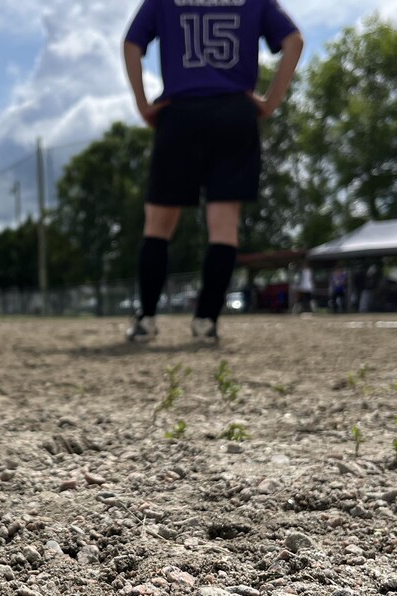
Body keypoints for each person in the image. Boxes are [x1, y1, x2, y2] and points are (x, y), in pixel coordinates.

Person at [123, 0, 303, 342]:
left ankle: (146, 320)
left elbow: (132, 43)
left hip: (180, 113)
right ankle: (206, 321)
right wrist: (270, 100)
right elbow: (293, 40)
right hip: (234, 113)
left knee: (158, 226)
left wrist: (143, 104)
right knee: (224, 227)